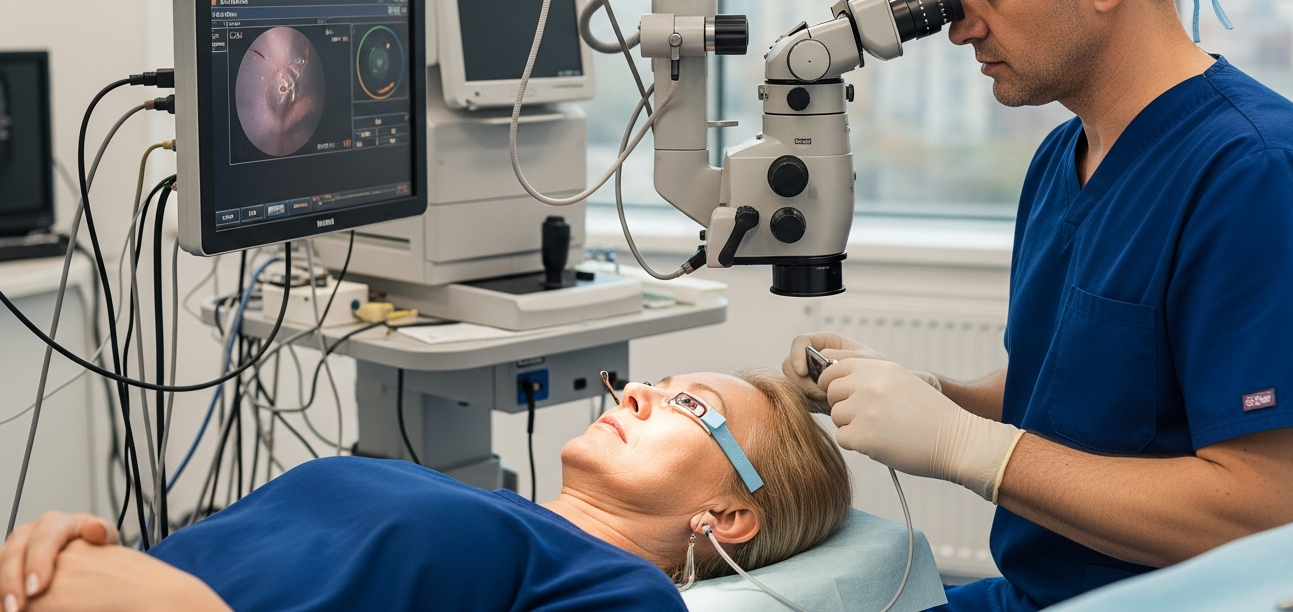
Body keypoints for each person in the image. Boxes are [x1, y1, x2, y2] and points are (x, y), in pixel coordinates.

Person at [784, 0, 1293, 610]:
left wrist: (967, 448)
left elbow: (1260, 513)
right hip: (1038, 593)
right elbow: (1080, 392)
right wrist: (925, 397)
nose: (961, 29)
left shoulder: (1259, 176)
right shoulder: (1065, 155)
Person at [0, 370, 852, 612]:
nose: (634, 393)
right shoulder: (465, 499)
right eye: (652, 383)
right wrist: (79, 547)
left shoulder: (619, 589)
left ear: (727, 516)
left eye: (688, 406)